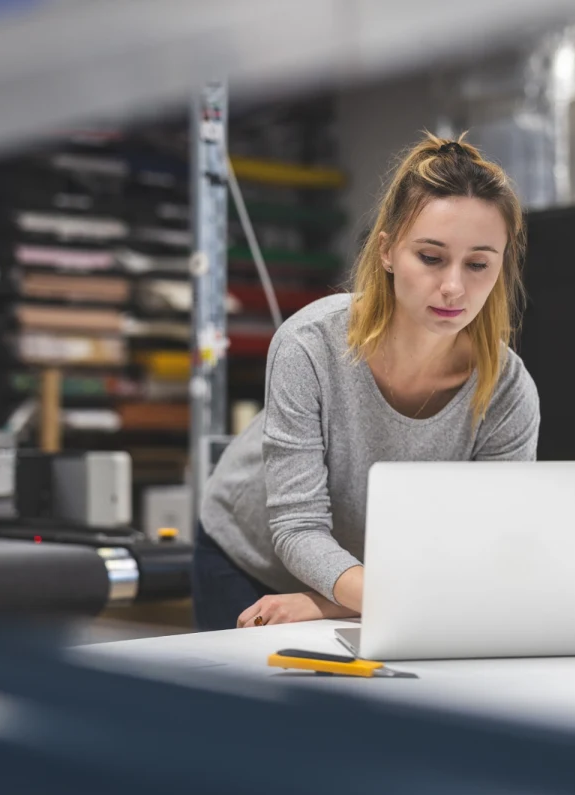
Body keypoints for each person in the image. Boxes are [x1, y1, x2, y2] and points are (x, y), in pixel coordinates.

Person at [191, 132, 540, 631]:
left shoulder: (507, 391)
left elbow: (482, 548)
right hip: (250, 559)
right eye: (431, 257)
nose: (453, 287)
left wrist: (328, 604)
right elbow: (297, 527)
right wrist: (361, 597)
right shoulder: (309, 345)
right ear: (387, 252)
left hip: (368, 590)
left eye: (479, 264)